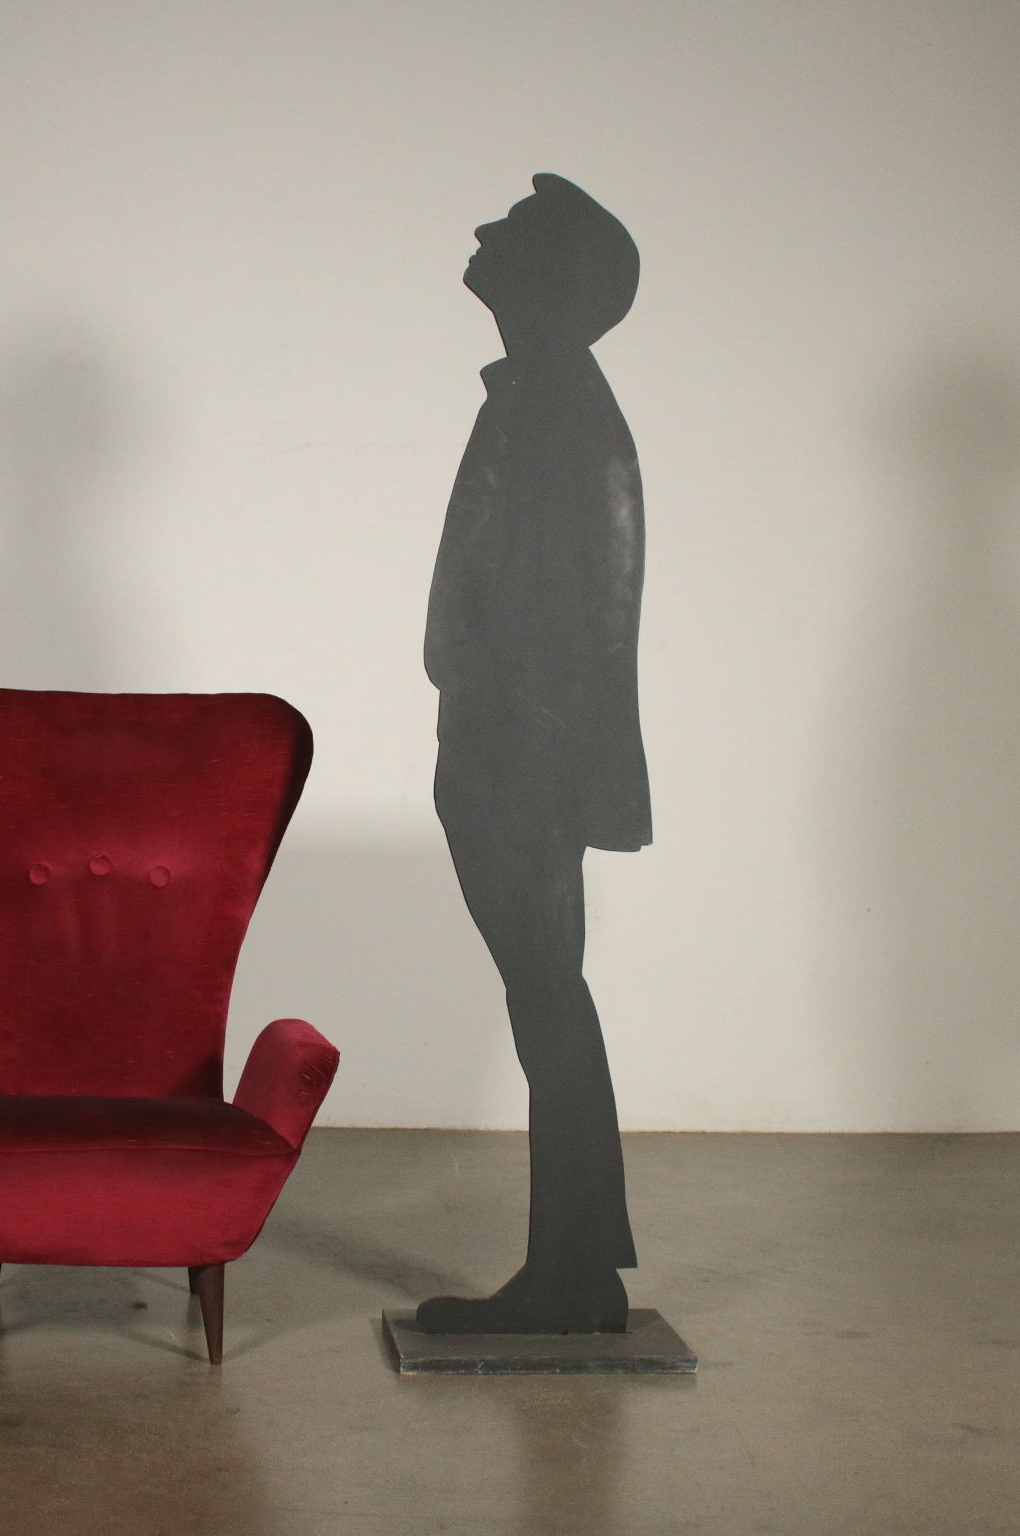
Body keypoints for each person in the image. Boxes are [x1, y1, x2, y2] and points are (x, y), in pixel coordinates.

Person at [417, 173, 648, 1334]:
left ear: (550, 276)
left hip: (524, 755)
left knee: (548, 998)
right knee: (548, 998)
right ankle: (577, 1266)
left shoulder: (559, 406)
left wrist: (531, 760)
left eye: (510, 230)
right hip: (510, 745)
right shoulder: (545, 397)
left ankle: (572, 1277)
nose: (481, 233)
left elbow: (583, 609)